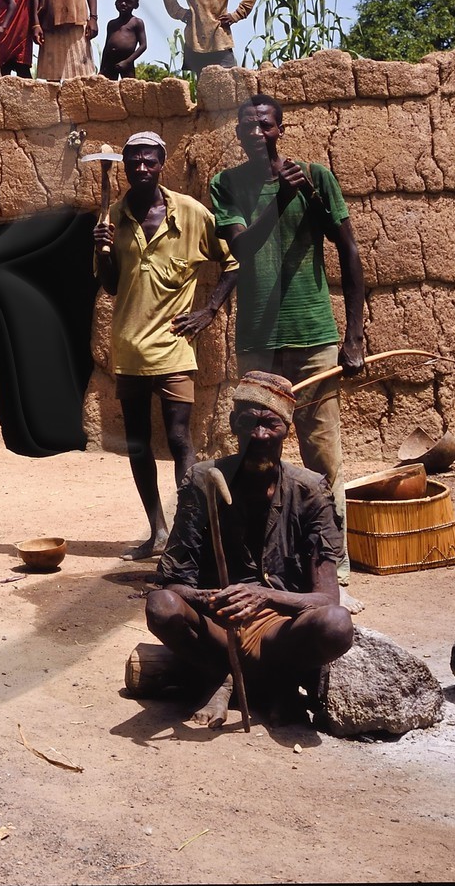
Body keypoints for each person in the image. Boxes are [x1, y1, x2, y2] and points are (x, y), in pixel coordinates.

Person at [210, 94, 367, 608]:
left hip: (314, 336)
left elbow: (348, 250)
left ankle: (330, 557)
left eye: (266, 125)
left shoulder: (316, 178)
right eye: (247, 126)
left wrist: (354, 335)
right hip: (257, 340)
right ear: (237, 132)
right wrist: (279, 196)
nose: (257, 133)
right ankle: (258, 553)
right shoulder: (227, 185)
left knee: (323, 454)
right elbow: (244, 249)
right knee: (256, 450)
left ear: (280, 129)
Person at [145, 371, 355, 728]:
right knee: (161, 607)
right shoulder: (202, 481)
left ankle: (272, 678)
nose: (258, 435)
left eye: (269, 425)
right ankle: (226, 675)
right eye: (248, 423)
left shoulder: (310, 492)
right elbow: (173, 585)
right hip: (216, 624)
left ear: (286, 429)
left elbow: (326, 601)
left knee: (336, 625)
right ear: (233, 425)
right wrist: (211, 598)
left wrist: (264, 597)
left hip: (279, 630)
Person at [93, 131, 238, 560]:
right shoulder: (112, 218)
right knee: (138, 443)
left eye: (149, 160)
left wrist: (209, 310)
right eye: (133, 160)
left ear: (162, 163)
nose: (141, 167)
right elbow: (112, 287)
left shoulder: (191, 214)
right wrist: (101, 254)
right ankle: (157, 531)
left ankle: (187, 533)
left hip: (174, 349)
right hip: (130, 350)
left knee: (179, 440)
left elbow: (233, 261)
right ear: (124, 165)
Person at [99, 0, 149, 81]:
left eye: (128, 1)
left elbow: (143, 46)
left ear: (136, 5)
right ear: (115, 2)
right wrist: (102, 69)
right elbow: (106, 48)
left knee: (130, 89)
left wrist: (127, 61)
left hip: (127, 62)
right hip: (110, 62)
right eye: (120, 0)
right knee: (107, 89)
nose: (123, 4)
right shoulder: (112, 24)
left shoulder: (137, 23)